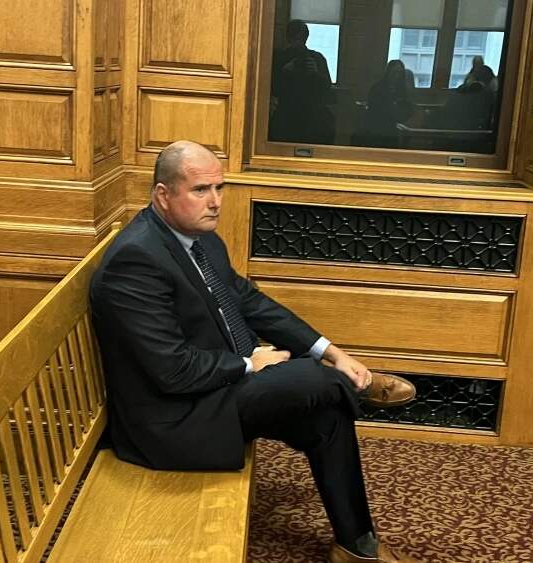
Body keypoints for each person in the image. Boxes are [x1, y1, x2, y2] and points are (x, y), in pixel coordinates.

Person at [89, 140, 420, 563]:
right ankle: (359, 388)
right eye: (200, 190)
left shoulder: (201, 240)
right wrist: (249, 364)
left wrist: (332, 351)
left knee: (326, 410)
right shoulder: (136, 260)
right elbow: (172, 370)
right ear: (163, 195)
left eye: (219, 188)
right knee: (313, 378)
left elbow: (250, 302)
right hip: (174, 419)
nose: (215, 202)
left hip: (213, 391)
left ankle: (357, 547)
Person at [269, 19, 335, 144]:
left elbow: (326, 88)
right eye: (296, 38)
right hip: (292, 115)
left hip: (304, 117)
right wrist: (285, 71)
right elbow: (272, 89)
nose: (298, 43)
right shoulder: (280, 58)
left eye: (300, 38)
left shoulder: (316, 59)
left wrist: (315, 73)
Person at [360, 60, 415, 148]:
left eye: (399, 72)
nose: (397, 75)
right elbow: (375, 110)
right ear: (388, 72)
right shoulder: (378, 88)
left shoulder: (403, 89)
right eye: (394, 72)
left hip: (397, 127)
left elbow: (409, 109)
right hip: (378, 128)